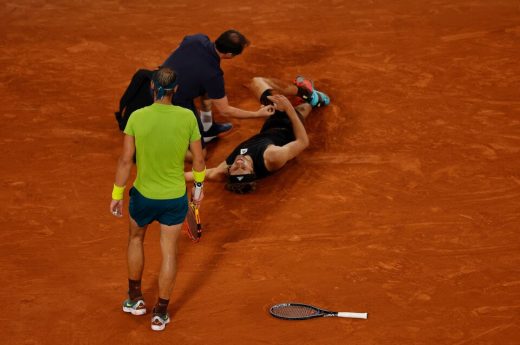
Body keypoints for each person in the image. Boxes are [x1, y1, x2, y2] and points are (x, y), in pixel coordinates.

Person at [109, 67, 207, 331]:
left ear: (153, 87)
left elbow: (126, 160)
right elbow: (199, 159)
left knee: (135, 239)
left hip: (142, 197)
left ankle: (135, 300)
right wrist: (198, 187)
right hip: (174, 199)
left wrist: (117, 194)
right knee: (169, 253)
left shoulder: (137, 117)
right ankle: (160, 313)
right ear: (175, 90)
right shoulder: (187, 117)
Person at [185, 76, 330, 193]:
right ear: (252, 170)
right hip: (289, 126)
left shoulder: (222, 170)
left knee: (298, 108)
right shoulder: (272, 157)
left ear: (229, 171)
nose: (239, 163)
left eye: (235, 168)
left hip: (269, 127)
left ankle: (311, 100)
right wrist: (288, 109)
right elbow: (303, 142)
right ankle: (306, 93)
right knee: (257, 82)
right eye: (243, 168)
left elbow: (192, 176)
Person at [162, 29, 274, 146]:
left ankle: (207, 128)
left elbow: (176, 50)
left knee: (207, 91)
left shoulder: (197, 39)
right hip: (168, 100)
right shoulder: (213, 75)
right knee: (200, 151)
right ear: (229, 55)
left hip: (156, 79)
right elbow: (225, 111)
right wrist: (257, 114)